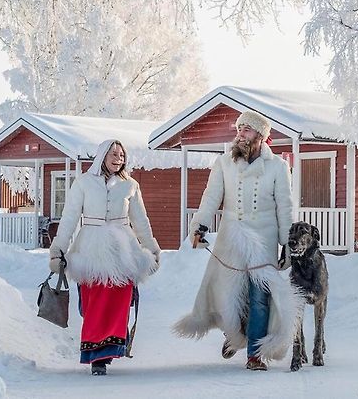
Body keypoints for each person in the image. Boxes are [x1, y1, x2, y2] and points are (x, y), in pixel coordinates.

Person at [173, 110, 301, 371]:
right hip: (231, 237)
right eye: (239, 129)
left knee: (259, 297)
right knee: (228, 294)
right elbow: (211, 197)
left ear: (261, 136)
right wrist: (200, 225)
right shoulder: (224, 163)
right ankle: (234, 336)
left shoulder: (277, 167)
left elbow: (284, 207)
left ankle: (254, 353)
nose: (240, 134)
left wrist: (287, 242)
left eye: (247, 129)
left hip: (263, 240)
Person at [49, 139, 160, 376]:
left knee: (118, 301)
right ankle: (95, 351)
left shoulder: (130, 185)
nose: (119, 158)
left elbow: (141, 221)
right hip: (91, 248)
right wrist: (58, 250)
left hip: (123, 249)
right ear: (102, 156)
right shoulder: (83, 183)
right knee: (93, 302)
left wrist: (151, 249)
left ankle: (107, 352)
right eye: (114, 154)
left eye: (122, 154)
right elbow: (69, 218)